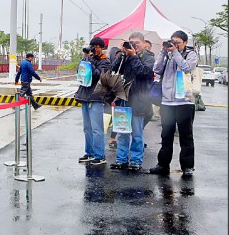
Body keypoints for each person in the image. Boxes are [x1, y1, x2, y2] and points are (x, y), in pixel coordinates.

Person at [149, 30, 198, 177]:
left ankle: (187, 167)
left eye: (177, 42)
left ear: (185, 42)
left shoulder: (190, 54)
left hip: (185, 102)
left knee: (186, 135)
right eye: (172, 42)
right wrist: (164, 53)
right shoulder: (168, 55)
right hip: (167, 102)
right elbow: (156, 70)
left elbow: (186, 67)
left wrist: (175, 52)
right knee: (166, 135)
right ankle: (163, 165)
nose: (174, 45)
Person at [109, 32, 154, 171]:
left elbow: (143, 72)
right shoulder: (126, 56)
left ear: (142, 43)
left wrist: (133, 56)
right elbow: (114, 69)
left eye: (137, 43)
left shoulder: (149, 57)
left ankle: (135, 160)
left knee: (137, 133)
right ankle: (121, 159)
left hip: (138, 100)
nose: (134, 45)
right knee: (122, 132)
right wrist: (122, 55)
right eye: (131, 43)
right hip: (123, 99)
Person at [74, 37, 111, 165]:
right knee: (87, 128)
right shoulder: (88, 59)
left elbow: (97, 75)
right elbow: (79, 72)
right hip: (85, 96)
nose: (94, 49)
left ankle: (100, 155)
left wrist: (89, 61)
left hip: (96, 97)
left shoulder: (105, 61)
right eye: (92, 47)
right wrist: (85, 59)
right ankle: (89, 153)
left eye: (97, 47)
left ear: (102, 48)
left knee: (97, 128)